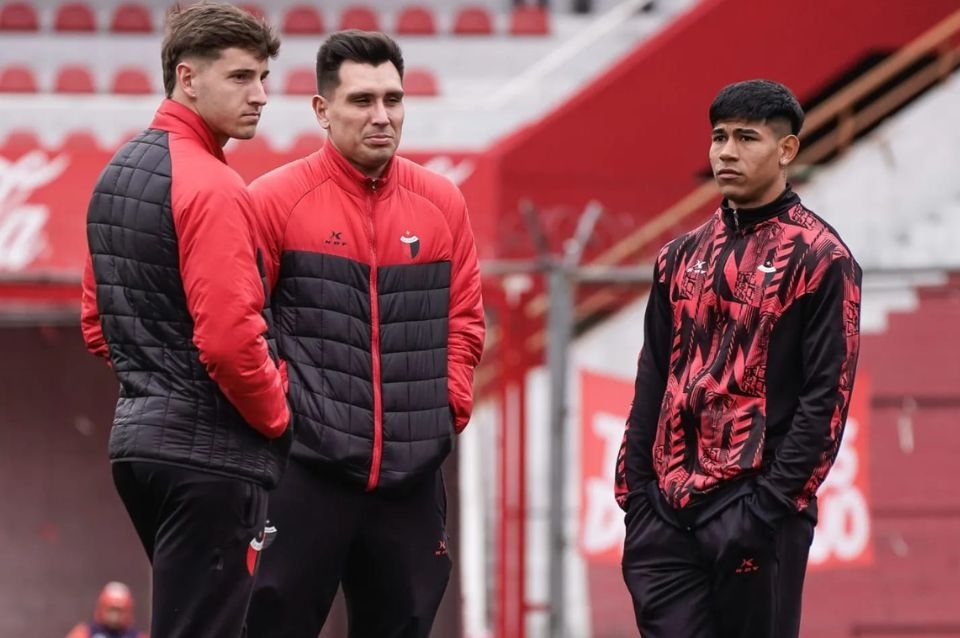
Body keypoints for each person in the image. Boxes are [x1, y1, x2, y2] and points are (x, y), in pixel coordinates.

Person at [243, 30, 485, 638]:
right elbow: (245, 322)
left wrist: (445, 407)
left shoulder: (442, 202)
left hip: (411, 476)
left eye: (392, 99)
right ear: (322, 109)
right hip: (305, 470)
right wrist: (284, 416)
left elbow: (464, 319)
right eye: (361, 100)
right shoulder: (272, 200)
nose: (382, 116)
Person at [616, 79, 862, 638]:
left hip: (754, 511)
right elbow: (653, 376)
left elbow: (826, 399)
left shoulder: (822, 259)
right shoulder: (678, 256)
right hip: (665, 516)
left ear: (786, 149)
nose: (726, 152)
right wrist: (637, 497)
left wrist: (767, 509)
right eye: (719, 137)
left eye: (746, 138)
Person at [79, 4, 291, 637]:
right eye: (241, 77)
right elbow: (229, 344)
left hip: (139, 450)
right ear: (187, 78)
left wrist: (157, 380)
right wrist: (278, 415)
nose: (260, 95)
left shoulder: (115, 174)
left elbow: (97, 325)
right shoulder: (214, 186)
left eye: (263, 78)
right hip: (211, 460)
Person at [65, 582, 148, 638]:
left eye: (119, 611)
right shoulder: (84, 633)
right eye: (111, 610)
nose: (114, 616)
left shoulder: (138, 636)